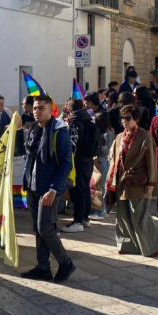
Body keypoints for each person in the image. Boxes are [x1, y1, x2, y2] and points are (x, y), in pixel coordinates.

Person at [19, 95, 75, 283]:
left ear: (51, 109)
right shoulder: (34, 129)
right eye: (35, 108)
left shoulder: (59, 132)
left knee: (45, 228)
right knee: (38, 228)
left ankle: (65, 262)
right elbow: (29, 156)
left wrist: (53, 189)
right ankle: (43, 268)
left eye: (41, 108)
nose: (37, 111)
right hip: (33, 186)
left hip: (49, 188)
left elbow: (66, 164)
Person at [107, 105, 158, 256]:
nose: (124, 121)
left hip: (139, 181)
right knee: (123, 215)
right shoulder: (119, 137)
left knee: (139, 215)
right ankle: (127, 245)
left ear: (136, 119)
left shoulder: (145, 136)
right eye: (122, 118)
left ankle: (155, 245)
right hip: (121, 181)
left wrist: (151, 183)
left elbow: (152, 161)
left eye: (127, 118)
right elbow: (113, 160)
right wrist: (110, 180)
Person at [61, 99, 97, 233]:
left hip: (78, 162)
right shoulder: (88, 120)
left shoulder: (75, 122)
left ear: (70, 110)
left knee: (78, 191)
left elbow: (73, 145)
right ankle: (85, 218)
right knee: (85, 189)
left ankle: (77, 221)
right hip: (88, 160)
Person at [89, 111, 114, 221]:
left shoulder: (108, 133)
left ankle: (100, 211)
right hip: (96, 160)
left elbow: (107, 150)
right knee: (95, 186)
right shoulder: (100, 132)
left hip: (103, 161)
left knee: (101, 187)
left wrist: (98, 144)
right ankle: (96, 209)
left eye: (96, 120)